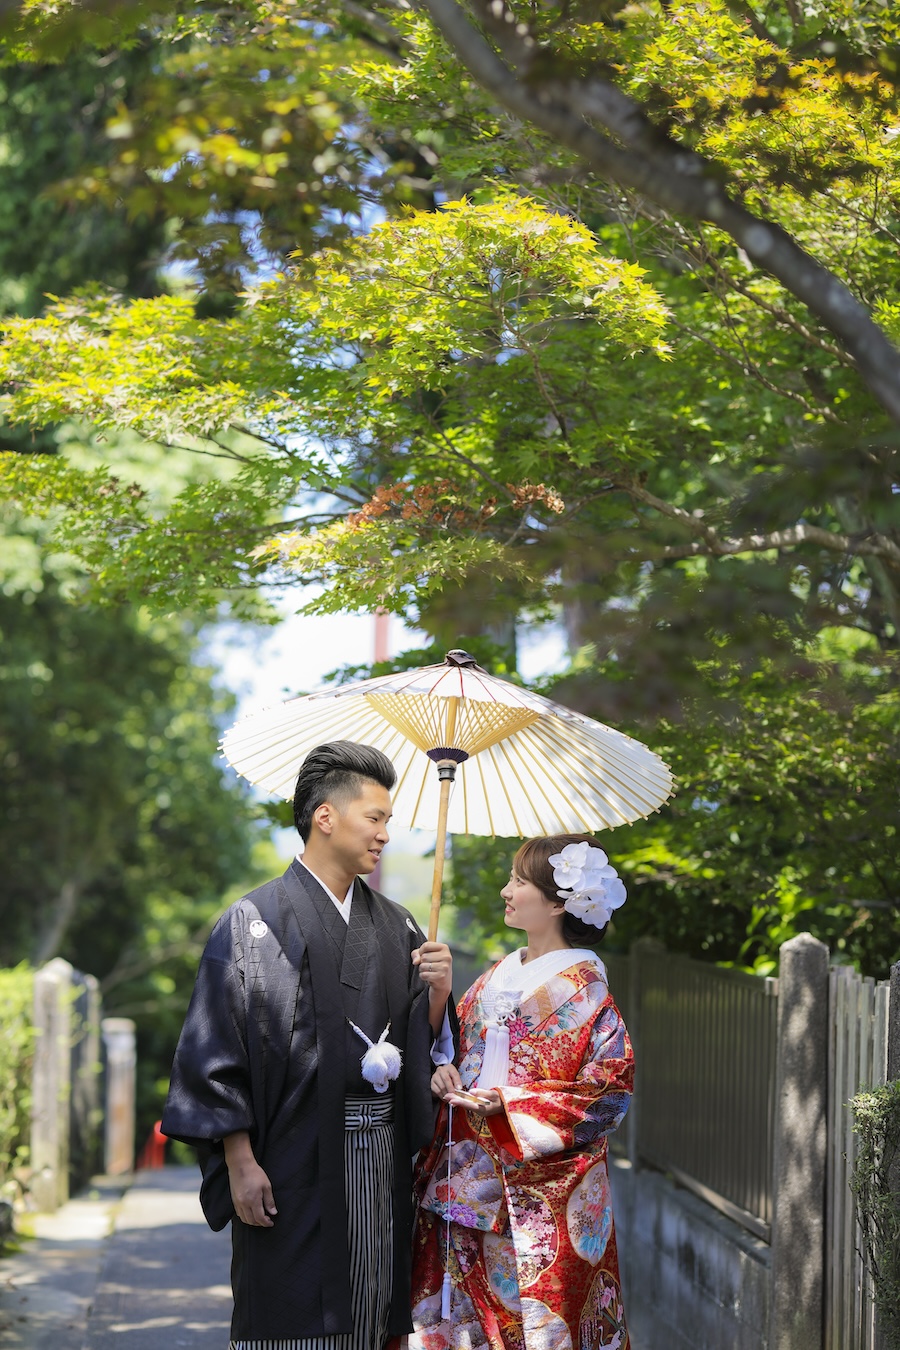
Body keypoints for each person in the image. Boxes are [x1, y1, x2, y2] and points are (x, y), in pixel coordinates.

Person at [161, 741, 455, 1350]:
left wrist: (437, 990)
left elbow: (417, 1043)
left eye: (387, 822)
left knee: (371, 1313)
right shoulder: (251, 921)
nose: (384, 836)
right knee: (289, 1315)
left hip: (378, 1154)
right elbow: (217, 1051)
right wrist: (239, 1162)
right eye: (374, 818)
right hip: (290, 1157)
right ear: (326, 816)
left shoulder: (399, 923)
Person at [403, 834, 633, 1350]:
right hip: (464, 1174)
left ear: (557, 903)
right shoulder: (500, 973)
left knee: (530, 1325)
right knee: (457, 1314)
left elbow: (609, 1092)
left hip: (537, 1186)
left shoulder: (588, 990)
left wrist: (511, 1104)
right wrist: (445, 1068)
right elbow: (460, 1047)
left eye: (519, 882)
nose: (507, 890)